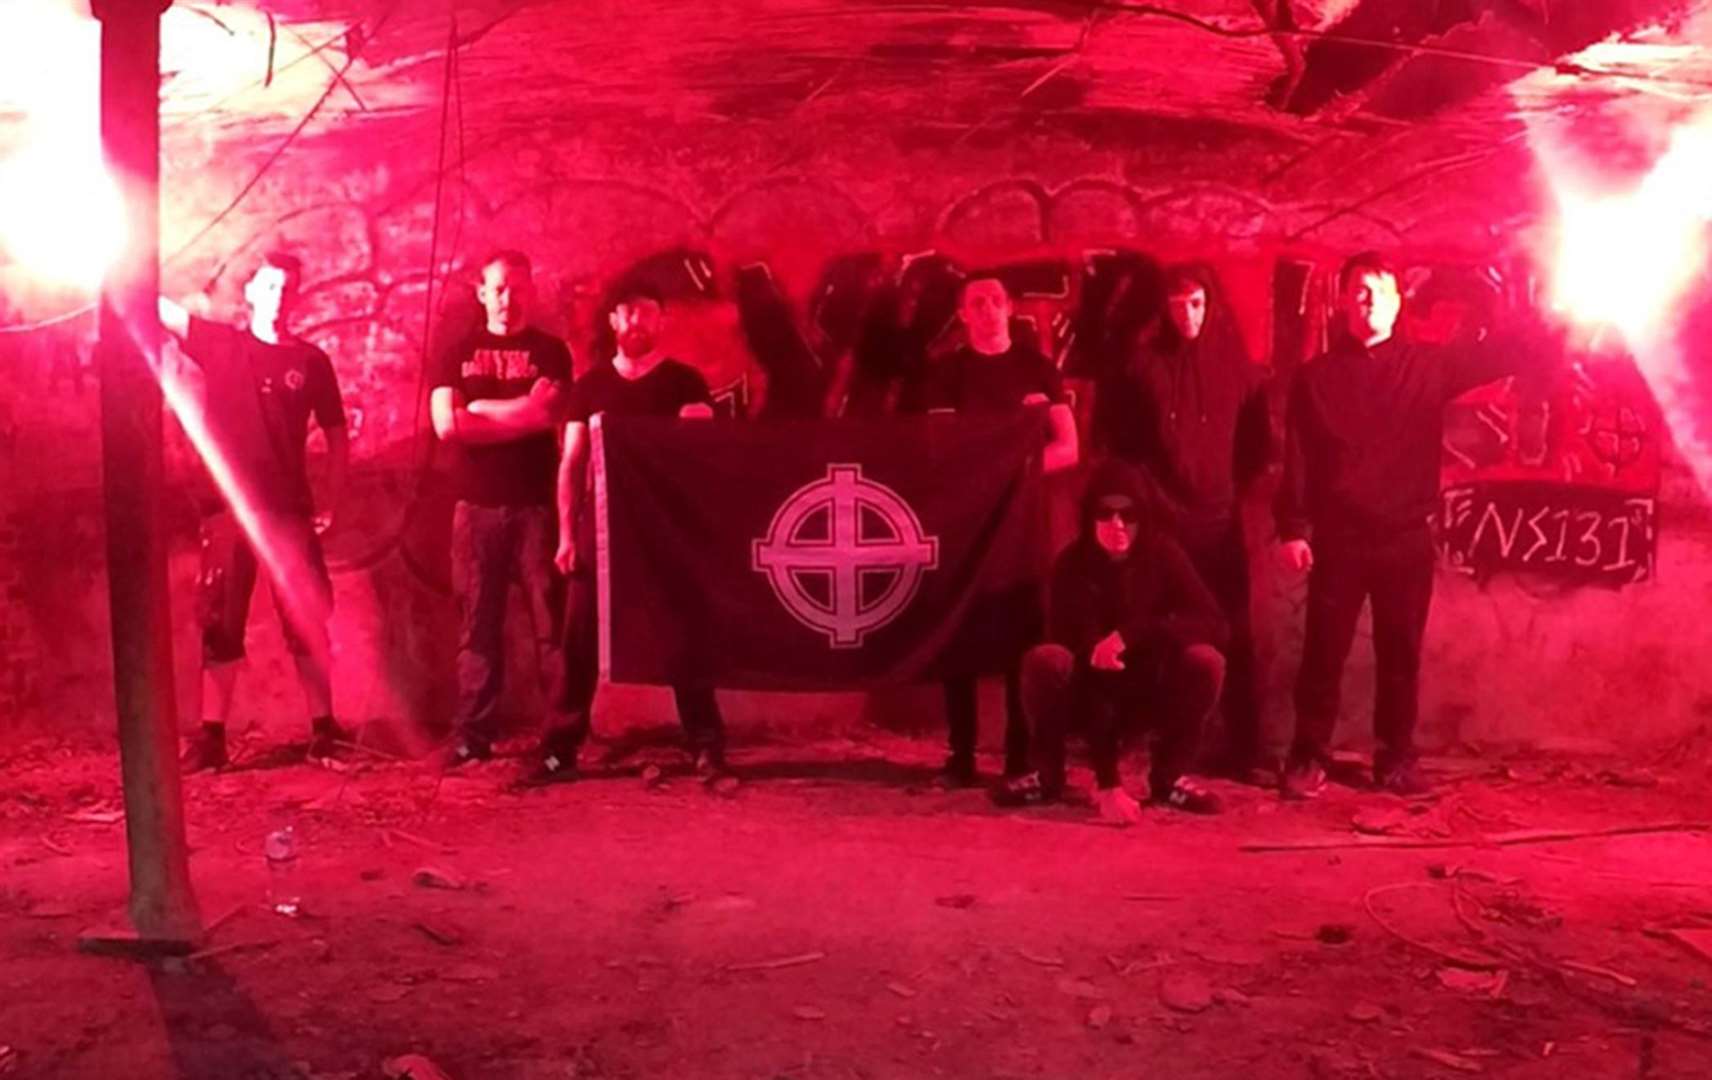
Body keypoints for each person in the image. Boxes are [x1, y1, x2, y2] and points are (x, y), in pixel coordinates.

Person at [1275, 252, 1557, 799]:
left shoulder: (1428, 366)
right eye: (1358, 293)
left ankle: (1395, 759)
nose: (1369, 303)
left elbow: (1499, 355)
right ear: (1343, 303)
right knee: (1322, 654)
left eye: (1379, 292)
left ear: (1398, 301)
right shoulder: (1318, 378)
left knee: (1400, 653)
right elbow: (1298, 459)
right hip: (1339, 538)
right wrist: (1292, 528)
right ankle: (1308, 755)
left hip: (1404, 537)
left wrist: (1551, 321)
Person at [158, 252, 350, 771]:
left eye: (287, 287)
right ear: (249, 293)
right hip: (226, 511)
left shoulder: (311, 362)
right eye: (269, 286)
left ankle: (325, 730)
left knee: (306, 622)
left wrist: (333, 497)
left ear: (298, 295)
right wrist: (117, 263)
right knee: (220, 622)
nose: (278, 296)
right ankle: (212, 738)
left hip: (288, 513)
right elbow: (155, 309)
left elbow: (336, 434)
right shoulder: (221, 343)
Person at [902, 272, 1080, 787]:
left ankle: (1018, 756)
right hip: (965, 521)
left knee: (1020, 633)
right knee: (958, 629)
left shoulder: (1038, 369)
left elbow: (1069, 447)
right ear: (963, 315)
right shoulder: (945, 375)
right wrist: (981, 483)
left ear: (1009, 308)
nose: (987, 310)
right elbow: (939, 451)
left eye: (996, 301)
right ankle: (961, 755)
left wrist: (1017, 475)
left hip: (1024, 521)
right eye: (976, 303)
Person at [554, 285, 731, 784]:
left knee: (684, 636)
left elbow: (697, 458)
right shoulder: (589, 388)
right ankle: (557, 752)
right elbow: (571, 463)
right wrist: (567, 535)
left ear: (662, 321)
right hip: (599, 531)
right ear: (614, 320)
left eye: (647, 313)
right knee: (579, 640)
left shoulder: (685, 383)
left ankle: (706, 745)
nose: (636, 321)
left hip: (665, 533)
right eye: (628, 312)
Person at [1104, 265, 1273, 783]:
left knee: (1234, 633)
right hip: (1162, 524)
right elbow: (1123, 446)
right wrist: (1148, 506)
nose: (1187, 313)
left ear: (1210, 304)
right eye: (1177, 303)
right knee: (1154, 632)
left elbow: (1255, 446)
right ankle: (1151, 741)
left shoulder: (1237, 369)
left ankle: (1246, 749)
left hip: (1220, 522)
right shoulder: (1142, 366)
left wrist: (1228, 496)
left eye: (1196, 302)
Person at [993, 462, 1227, 824]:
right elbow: (1091, 674)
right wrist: (1108, 782)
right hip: (1089, 697)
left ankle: (1169, 777)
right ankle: (1047, 775)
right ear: (1089, 517)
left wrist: (1134, 634)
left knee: (1205, 660)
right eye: (1105, 513)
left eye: (1128, 514)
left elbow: (1214, 622)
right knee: (1046, 660)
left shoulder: (1163, 556)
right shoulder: (1073, 567)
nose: (1117, 525)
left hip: (1151, 687)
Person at [429, 250, 576, 778]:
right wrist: (519, 412)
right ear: (482, 292)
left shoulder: (552, 352)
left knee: (550, 629)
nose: (509, 298)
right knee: (477, 628)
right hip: (476, 507)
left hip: (537, 506)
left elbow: (547, 416)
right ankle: (473, 738)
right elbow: (448, 426)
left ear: (530, 290)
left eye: (518, 287)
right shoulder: (455, 352)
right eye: (499, 288)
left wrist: (482, 411)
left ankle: (560, 741)